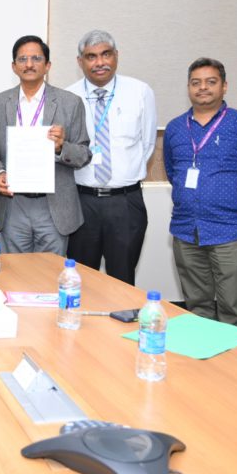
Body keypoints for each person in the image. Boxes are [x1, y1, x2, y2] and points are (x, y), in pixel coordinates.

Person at [164, 58, 237, 327]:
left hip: (228, 230)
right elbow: (173, 171)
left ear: (224, 86)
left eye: (211, 82)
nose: (203, 87)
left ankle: (235, 355)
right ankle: (201, 353)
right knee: (196, 307)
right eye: (196, 82)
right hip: (186, 229)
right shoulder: (175, 128)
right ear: (188, 88)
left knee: (232, 309)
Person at [0, 35, 90, 255]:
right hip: (13, 204)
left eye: (36, 58)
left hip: (54, 206)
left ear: (47, 65)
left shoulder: (70, 103)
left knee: (50, 272)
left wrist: (61, 147)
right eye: (22, 59)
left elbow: (83, 154)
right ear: (14, 66)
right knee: (14, 272)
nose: (29, 64)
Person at [66, 29, 156, 285]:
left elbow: (147, 144)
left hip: (125, 202)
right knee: (81, 280)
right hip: (81, 202)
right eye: (91, 56)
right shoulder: (68, 97)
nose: (100, 62)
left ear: (116, 55)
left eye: (106, 54)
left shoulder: (140, 92)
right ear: (80, 61)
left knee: (123, 280)